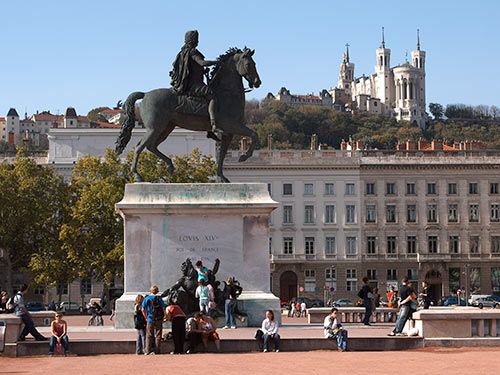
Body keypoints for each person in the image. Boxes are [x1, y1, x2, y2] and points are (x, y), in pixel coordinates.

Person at [170, 30, 219, 134]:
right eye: (196, 39)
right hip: (194, 84)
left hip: (188, 82)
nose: (197, 41)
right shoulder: (192, 52)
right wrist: (216, 62)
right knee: (212, 96)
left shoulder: (182, 52)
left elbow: (192, 67)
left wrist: (202, 71)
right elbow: (202, 62)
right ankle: (213, 124)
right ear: (193, 40)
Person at [142, 285, 166, 355]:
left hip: (150, 318)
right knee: (158, 334)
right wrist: (164, 316)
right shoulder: (159, 298)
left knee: (149, 335)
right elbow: (163, 308)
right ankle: (157, 350)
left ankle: (148, 350)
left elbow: (143, 309)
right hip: (158, 318)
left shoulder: (147, 299)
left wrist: (146, 317)